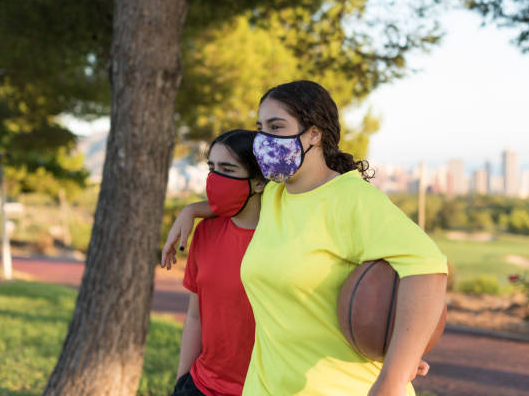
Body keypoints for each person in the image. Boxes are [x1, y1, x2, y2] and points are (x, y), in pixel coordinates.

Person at [162, 81, 447, 396]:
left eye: (277, 127)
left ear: (314, 133)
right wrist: (191, 211)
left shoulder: (352, 199)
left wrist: (394, 374)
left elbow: (428, 269)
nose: (264, 140)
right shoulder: (274, 195)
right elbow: (235, 199)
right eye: (261, 128)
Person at [168, 129, 266, 396]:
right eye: (212, 167)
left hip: (260, 389)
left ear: (259, 182)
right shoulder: (205, 232)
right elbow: (194, 317)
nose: (215, 178)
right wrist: (181, 382)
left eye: (228, 169)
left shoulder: (280, 240)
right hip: (200, 386)